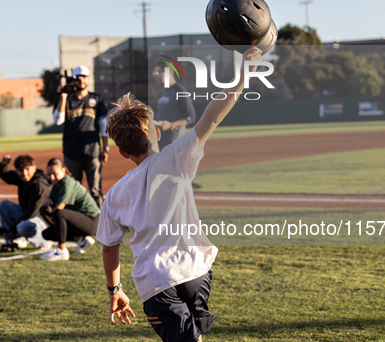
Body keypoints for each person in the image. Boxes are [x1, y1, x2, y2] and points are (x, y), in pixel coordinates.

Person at [96, 47, 262, 341]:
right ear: (157, 134)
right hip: (197, 271)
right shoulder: (175, 158)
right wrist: (243, 74)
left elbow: (110, 247)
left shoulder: (115, 194)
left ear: (122, 152)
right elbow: (212, 115)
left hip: (156, 283)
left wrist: (115, 290)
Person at [52, 65, 108, 207]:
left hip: (92, 152)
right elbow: (58, 120)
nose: (81, 81)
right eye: (78, 78)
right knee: (72, 190)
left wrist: (105, 147)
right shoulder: (67, 100)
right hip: (72, 153)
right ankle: (77, 223)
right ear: (73, 80)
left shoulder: (97, 98)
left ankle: (100, 225)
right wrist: (63, 96)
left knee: (95, 190)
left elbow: (103, 125)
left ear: (88, 79)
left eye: (84, 77)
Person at [39, 158, 101, 261]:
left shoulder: (67, 183)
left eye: (55, 173)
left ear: (63, 170)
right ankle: (81, 240)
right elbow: (50, 207)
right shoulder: (56, 185)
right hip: (80, 220)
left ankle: (61, 251)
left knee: (59, 213)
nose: (52, 177)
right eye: (49, 175)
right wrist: (46, 204)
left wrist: (52, 209)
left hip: (93, 221)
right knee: (47, 234)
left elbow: (58, 210)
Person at [0, 154, 52, 251]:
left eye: (27, 169)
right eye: (21, 170)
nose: (24, 173)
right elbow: (7, 176)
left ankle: (44, 241)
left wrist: (12, 230)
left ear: (34, 168)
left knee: (23, 226)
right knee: (4, 205)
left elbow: (32, 212)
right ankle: (14, 241)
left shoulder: (39, 185)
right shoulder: (22, 178)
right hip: (29, 215)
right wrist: (3, 165)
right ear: (17, 171)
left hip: (43, 220)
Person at [152, 62, 197, 150]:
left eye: (157, 72)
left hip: (173, 143)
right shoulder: (163, 92)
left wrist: (171, 124)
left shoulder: (180, 91)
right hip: (160, 141)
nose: (154, 76)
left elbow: (191, 117)